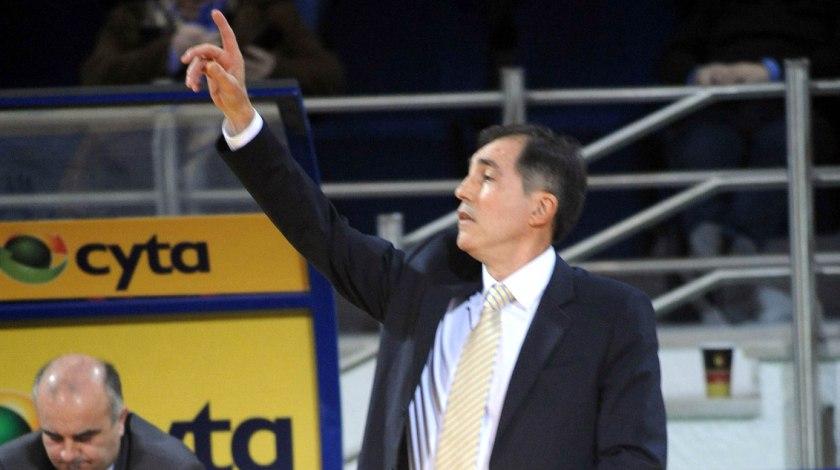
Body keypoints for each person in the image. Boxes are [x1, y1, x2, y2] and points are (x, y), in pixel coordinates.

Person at [183, 10, 666, 468]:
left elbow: (634, 459)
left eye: (487, 177)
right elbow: (321, 231)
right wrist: (243, 120)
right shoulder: (423, 281)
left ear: (540, 209)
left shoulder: (612, 314)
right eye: (468, 174)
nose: (463, 190)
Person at [658, 0, 840, 323]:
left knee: (786, 143)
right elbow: (675, 56)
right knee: (702, 145)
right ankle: (711, 248)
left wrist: (772, 70)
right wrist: (699, 73)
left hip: (795, 100)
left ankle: (733, 256)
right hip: (720, 103)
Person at [80, 0, 345, 95]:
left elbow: (329, 76)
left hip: (239, 136)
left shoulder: (264, 9)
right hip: (146, 141)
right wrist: (167, 53)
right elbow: (94, 77)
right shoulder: (136, 13)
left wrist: (273, 70)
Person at [0, 354, 203, 470]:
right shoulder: (10, 464)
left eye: (84, 438)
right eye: (55, 437)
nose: (68, 455)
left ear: (120, 420)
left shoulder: (171, 466)